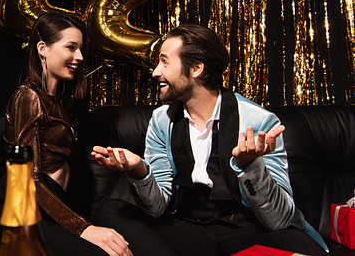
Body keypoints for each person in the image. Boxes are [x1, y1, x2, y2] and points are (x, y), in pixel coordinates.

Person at [91, 24, 329, 256]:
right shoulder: (162, 120)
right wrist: (139, 170)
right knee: (111, 210)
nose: (155, 72)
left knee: (308, 249)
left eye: (164, 62)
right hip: (187, 230)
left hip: (245, 229)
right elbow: (156, 208)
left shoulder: (260, 121)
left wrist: (250, 166)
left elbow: (279, 219)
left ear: (196, 68)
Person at [0, 11, 133, 256]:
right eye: (71, 47)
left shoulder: (61, 105)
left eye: (81, 49)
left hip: (46, 211)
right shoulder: (28, 96)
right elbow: (28, 179)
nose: (80, 57)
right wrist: (83, 228)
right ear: (42, 48)